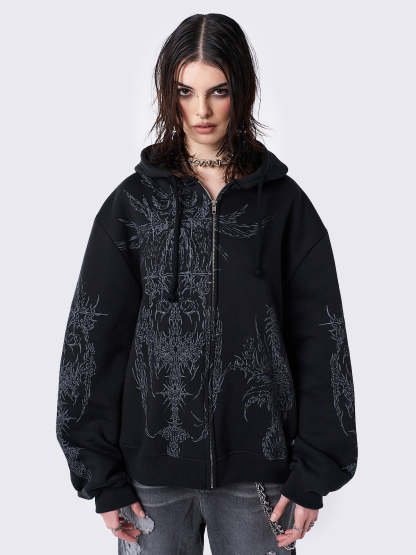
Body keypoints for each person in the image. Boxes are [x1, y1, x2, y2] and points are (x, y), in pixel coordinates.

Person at [56, 13, 358, 554]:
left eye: (218, 91)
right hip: (149, 479)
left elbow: (323, 341)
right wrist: (102, 477)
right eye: (185, 91)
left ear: (242, 90)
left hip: (259, 477)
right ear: (166, 93)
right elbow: (93, 340)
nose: (201, 111)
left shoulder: (284, 207)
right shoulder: (133, 205)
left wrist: (314, 470)